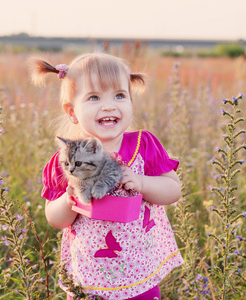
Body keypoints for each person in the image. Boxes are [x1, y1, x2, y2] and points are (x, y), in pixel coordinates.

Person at [30, 52, 183, 300]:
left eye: (120, 95)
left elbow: (173, 190)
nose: (109, 105)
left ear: (131, 102)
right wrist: (69, 201)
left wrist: (142, 182)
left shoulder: (142, 145)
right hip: (90, 276)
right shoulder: (67, 161)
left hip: (140, 271)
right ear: (72, 112)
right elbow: (54, 218)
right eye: (94, 97)